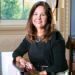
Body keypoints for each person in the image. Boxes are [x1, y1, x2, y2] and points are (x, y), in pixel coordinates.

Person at [12, 1, 68, 75]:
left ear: (48, 18)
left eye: (42, 15)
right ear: (31, 17)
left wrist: (39, 73)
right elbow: (16, 53)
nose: (38, 17)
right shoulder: (30, 36)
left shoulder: (56, 37)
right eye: (35, 14)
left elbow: (59, 65)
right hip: (38, 72)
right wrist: (22, 60)